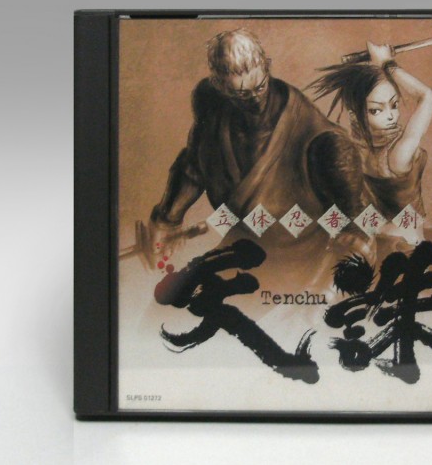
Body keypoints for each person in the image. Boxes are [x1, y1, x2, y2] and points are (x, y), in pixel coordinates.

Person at [148, 29, 373, 296]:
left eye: (260, 87)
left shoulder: (324, 142)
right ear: (220, 85)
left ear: (266, 66)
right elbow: (194, 166)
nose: (255, 100)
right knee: (170, 302)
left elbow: (355, 219)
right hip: (242, 245)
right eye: (242, 94)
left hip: (302, 258)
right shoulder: (212, 107)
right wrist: (167, 220)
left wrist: (352, 244)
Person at [308, 41, 432, 289]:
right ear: (356, 115)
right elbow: (428, 96)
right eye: (377, 110)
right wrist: (387, 64)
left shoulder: (352, 151)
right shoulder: (398, 154)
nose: (391, 115)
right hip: (404, 245)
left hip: (382, 240)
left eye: (394, 105)